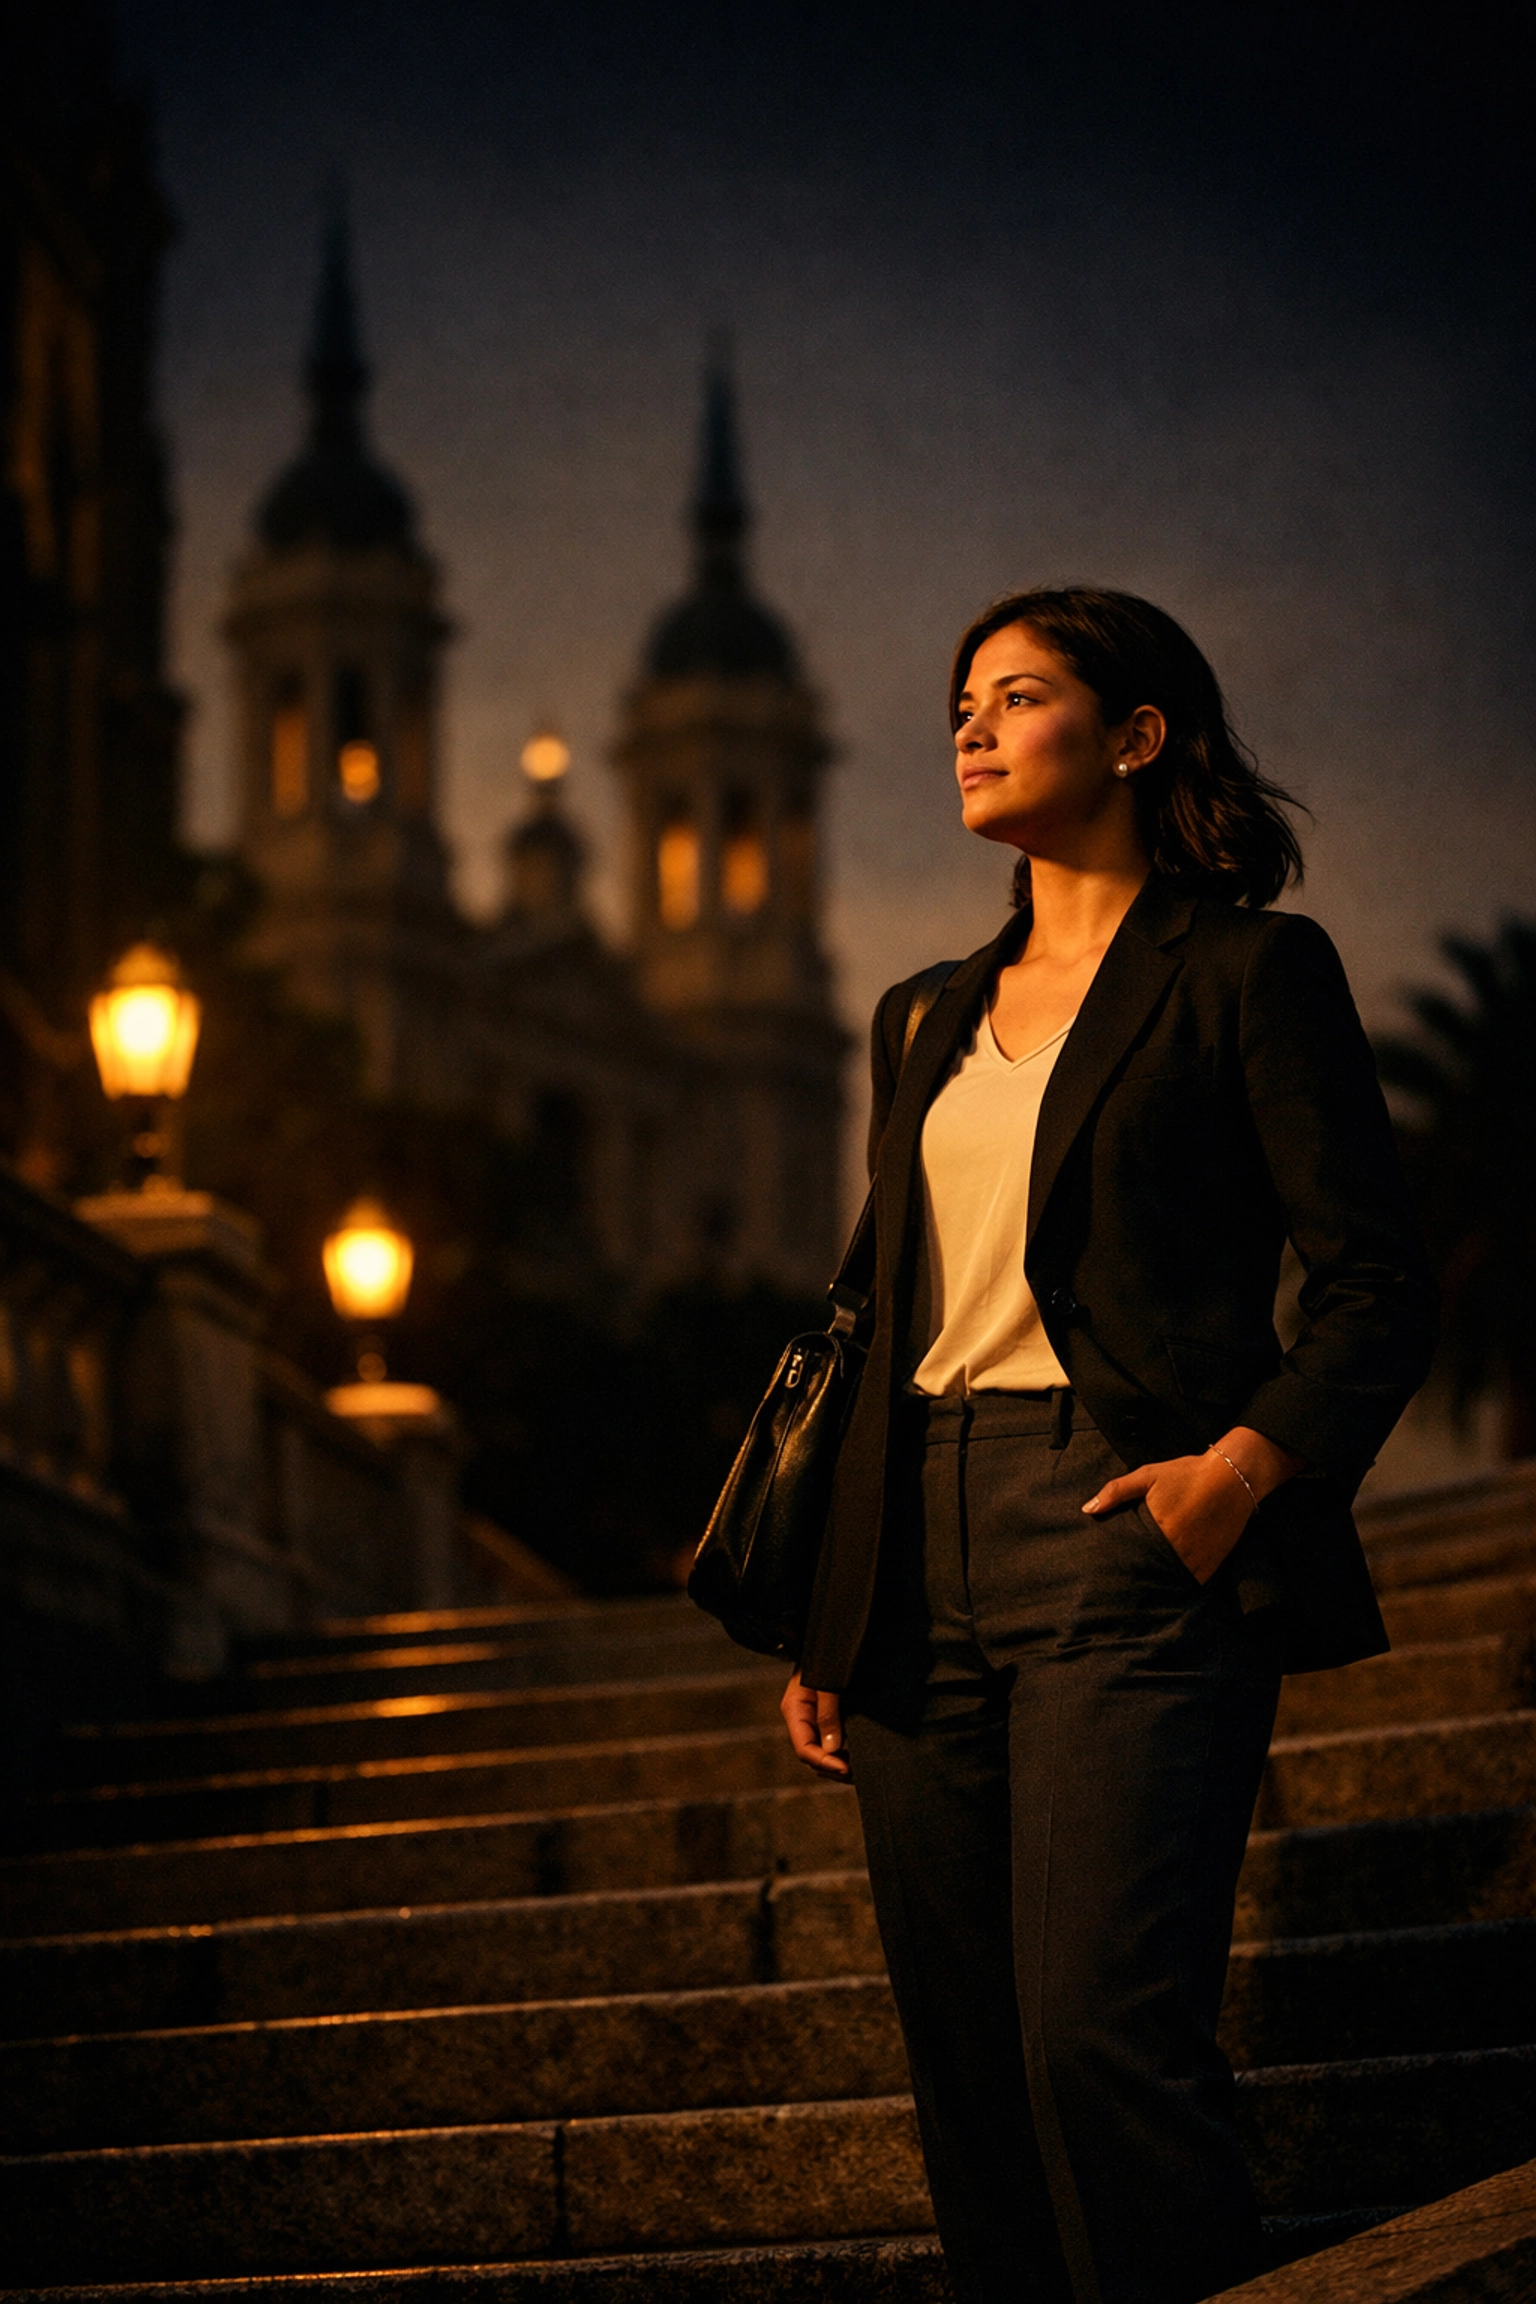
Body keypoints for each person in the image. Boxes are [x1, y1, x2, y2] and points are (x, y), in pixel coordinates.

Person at [778, 589, 1437, 2304]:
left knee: (1100, 2036)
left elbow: (1376, 1286)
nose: (971, 731)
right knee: (972, 2070)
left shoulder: (1245, 972)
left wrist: (1236, 1474)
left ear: (1137, 736)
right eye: (959, 706)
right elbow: (887, 1314)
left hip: (1124, 1531)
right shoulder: (921, 1016)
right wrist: (835, 1596)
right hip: (917, 1541)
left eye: (1019, 697)